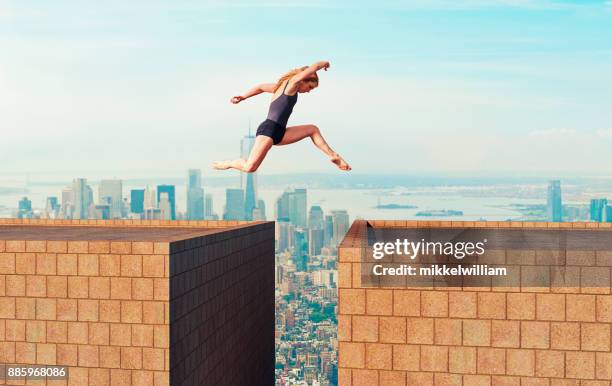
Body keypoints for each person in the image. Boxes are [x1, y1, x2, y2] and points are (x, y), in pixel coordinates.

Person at [213, 60, 351, 172]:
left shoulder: (280, 87)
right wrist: (324, 63)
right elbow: (314, 66)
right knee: (250, 167)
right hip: (268, 129)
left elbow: (261, 87)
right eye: (310, 87)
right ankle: (230, 163)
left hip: (281, 131)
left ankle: (334, 156)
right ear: (303, 80)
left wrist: (243, 97)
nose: (309, 91)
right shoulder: (292, 84)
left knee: (312, 129)